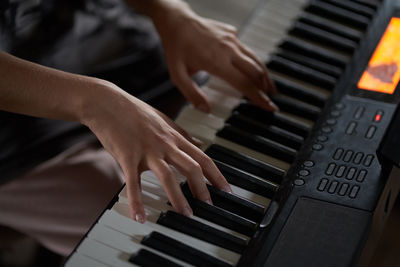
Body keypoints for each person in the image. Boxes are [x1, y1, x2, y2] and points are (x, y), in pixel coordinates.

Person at [0, 0, 277, 256]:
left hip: (103, 38)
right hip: (17, 133)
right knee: (143, 219)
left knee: (235, 105)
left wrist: (171, 13)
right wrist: (94, 100)